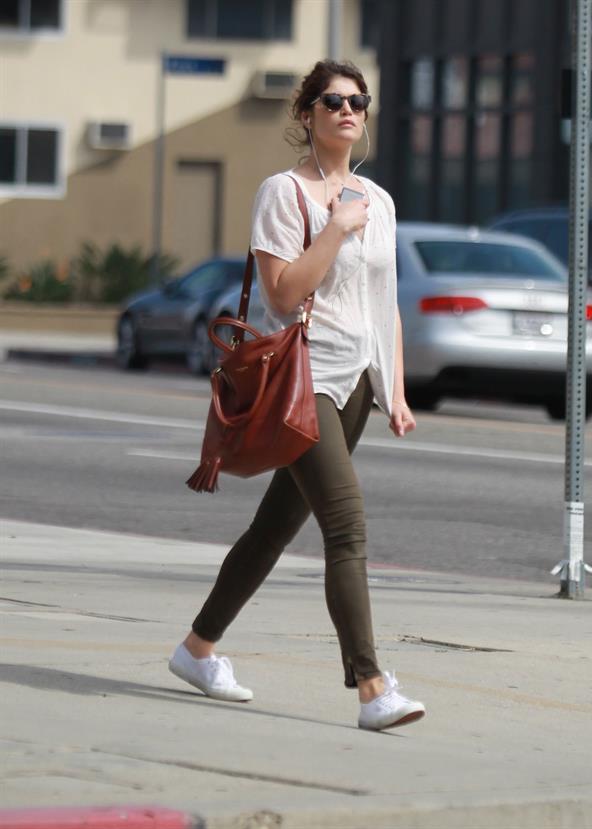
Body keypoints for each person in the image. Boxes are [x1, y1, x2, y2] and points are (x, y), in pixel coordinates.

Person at [169, 59, 426, 731]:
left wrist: (394, 389)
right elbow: (283, 294)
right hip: (302, 381)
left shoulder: (381, 201)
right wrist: (336, 226)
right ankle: (372, 687)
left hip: (356, 388)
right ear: (306, 114)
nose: (349, 110)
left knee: (275, 527)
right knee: (346, 525)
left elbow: (385, 305)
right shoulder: (283, 194)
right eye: (334, 100)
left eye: (359, 101)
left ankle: (198, 647)